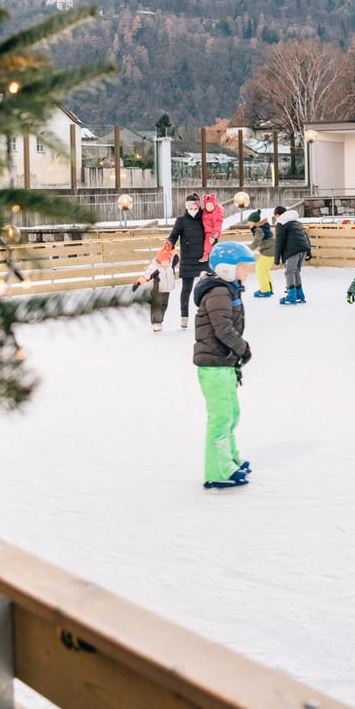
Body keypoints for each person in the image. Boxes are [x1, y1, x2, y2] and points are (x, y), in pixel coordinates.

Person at [193, 241, 254, 490]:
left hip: (224, 363)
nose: (247, 272)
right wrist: (243, 349)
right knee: (220, 418)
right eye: (243, 267)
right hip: (214, 364)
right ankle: (217, 471)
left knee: (232, 415)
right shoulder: (219, 292)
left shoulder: (228, 289)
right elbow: (223, 329)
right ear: (228, 269)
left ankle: (230, 459)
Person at [166, 194, 208, 329]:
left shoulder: (204, 218)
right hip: (188, 258)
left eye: (195, 205)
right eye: (190, 205)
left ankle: (207, 314)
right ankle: (184, 316)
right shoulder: (181, 220)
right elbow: (173, 236)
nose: (193, 208)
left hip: (203, 258)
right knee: (186, 289)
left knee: (207, 287)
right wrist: (169, 244)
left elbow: (213, 230)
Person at [133, 240, 178, 332]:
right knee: (157, 306)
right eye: (163, 261)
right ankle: (156, 323)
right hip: (157, 290)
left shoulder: (170, 264)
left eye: (167, 261)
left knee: (164, 306)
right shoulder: (155, 267)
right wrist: (138, 283)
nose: (165, 263)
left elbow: (175, 256)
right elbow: (146, 276)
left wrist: (171, 247)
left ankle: (159, 322)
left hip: (167, 289)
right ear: (159, 260)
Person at [274, 205, 312, 304]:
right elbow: (305, 236)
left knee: (289, 271)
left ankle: (291, 296)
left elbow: (279, 241)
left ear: (277, 215)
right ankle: (300, 294)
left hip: (293, 250)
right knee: (296, 271)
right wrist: (308, 252)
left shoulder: (281, 223)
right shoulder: (296, 222)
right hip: (303, 249)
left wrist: (277, 259)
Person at [245, 209, 275, 298]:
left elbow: (256, 242)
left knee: (260, 269)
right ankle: (269, 289)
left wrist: (248, 249)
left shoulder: (258, 229)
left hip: (268, 251)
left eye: (249, 222)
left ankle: (265, 291)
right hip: (271, 250)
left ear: (254, 222)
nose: (248, 224)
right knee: (265, 270)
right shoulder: (262, 227)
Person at [199, 192, 224, 259]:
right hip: (207, 232)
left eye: (211, 206)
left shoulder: (216, 213)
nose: (209, 208)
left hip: (214, 233)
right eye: (207, 206)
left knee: (208, 243)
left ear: (214, 205)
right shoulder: (204, 212)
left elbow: (218, 225)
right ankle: (207, 254)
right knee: (207, 243)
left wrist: (214, 236)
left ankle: (206, 255)